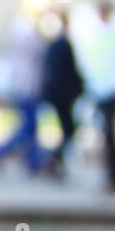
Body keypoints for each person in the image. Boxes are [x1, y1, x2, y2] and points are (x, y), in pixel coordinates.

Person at [80, 0, 115, 193]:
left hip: (112, 90)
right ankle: (114, 177)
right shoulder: (98, 33)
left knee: (111, 136)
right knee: (106, 136)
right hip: (101, 89)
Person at [0, 4, 47, 174]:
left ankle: (33, 161)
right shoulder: (28, 32)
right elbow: (39, 52)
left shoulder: (22, 30)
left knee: (31, 126)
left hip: (24, 84)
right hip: (27, 86)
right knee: (28, 125)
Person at [40, 9, 85, 179]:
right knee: (69, 128)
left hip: (59, 93)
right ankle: (54, 159)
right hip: (63, 94)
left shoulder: (55, 44)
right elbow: (69, 71)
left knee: (68, 128)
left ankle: (55, 159)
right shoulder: (62, 45)